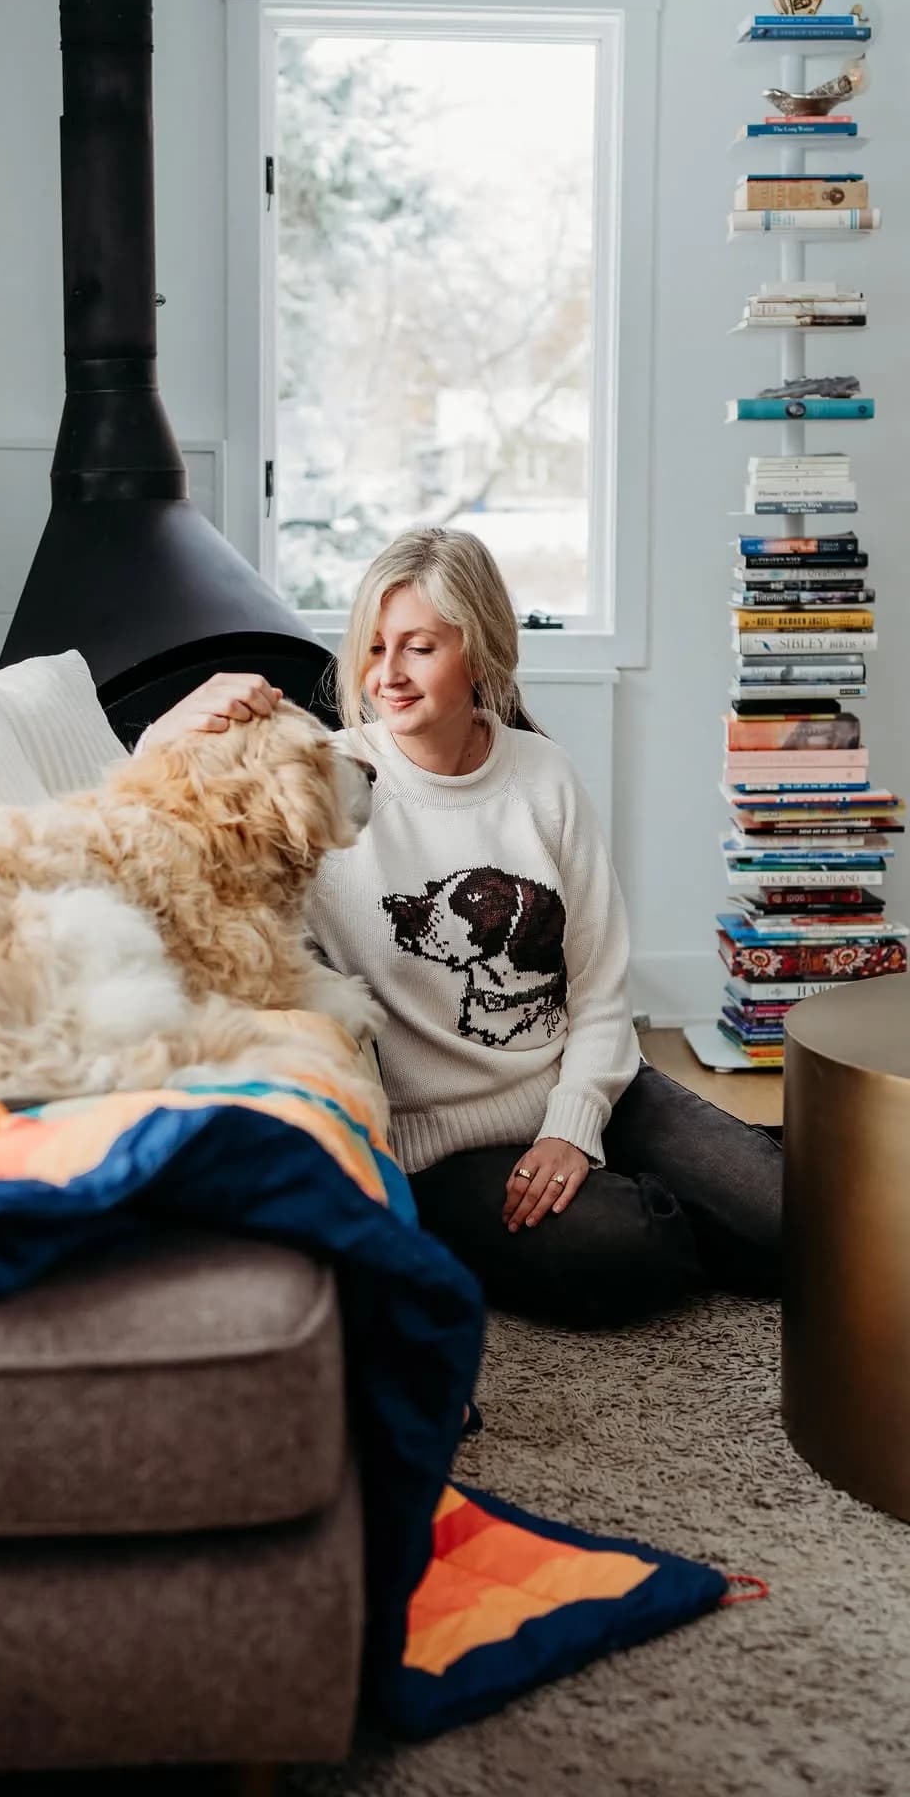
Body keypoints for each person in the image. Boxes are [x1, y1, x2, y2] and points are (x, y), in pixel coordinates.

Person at [142, 528, 780, 1327]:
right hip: (442, 1150)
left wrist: (575, 1127)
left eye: (419, 648)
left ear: (477, 653)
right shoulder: (319, 782)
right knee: (625, 1253)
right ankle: (636, 1211)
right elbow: (182, 867)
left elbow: (599, 981)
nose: (387, 676)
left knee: (789, 1218)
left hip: (591, 1086)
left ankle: (682, 1187)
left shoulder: (542, 774)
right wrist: (159, 739)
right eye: (374, 648)